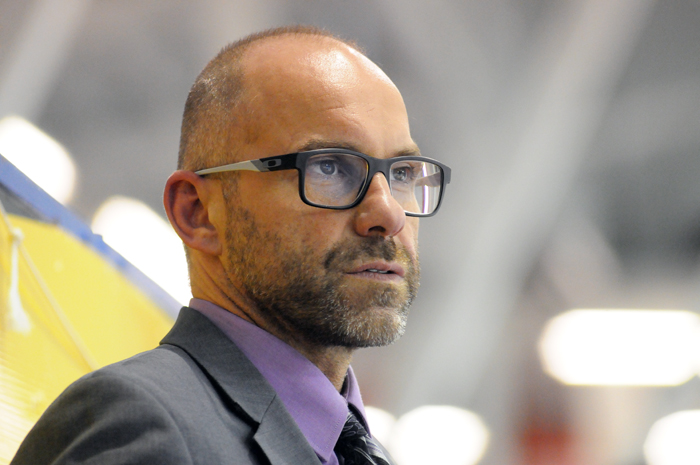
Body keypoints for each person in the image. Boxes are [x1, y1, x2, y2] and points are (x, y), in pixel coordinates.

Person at [11, 26, 451, 465]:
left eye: (402, 174)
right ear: (198, 213)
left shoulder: (365, 453)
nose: (389, 214)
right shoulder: (144, 424)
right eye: (329, 167)